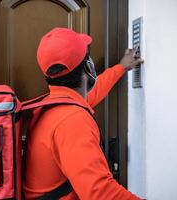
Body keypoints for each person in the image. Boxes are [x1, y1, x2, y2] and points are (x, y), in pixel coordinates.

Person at [23, 27, 144, 200]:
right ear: (88, 67)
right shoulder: (72, 121)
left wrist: (121, 67)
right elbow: (100, 193)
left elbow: (93, 92)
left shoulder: (53, 106)